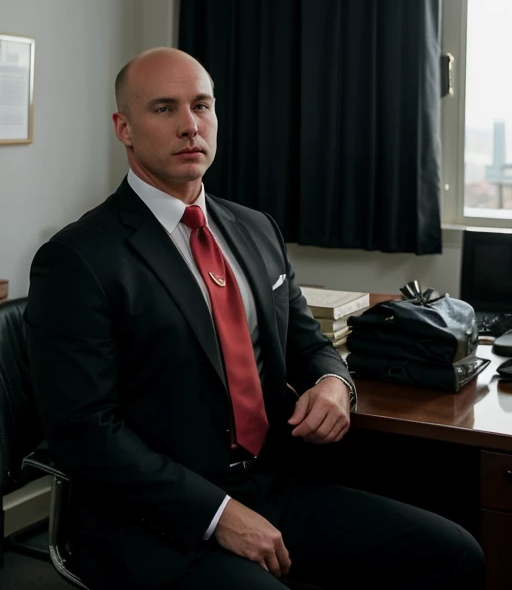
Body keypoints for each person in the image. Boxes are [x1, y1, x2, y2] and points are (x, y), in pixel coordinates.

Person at [25, 48, 484, 590]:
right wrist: (217, 514)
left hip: (275, 485)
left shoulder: (256, 229)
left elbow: (308, 344)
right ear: (123, 127)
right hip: (154, 517)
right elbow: (85, 434)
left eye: (202, 106)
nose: (190, 126)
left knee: (455, 554)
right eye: (164, 109)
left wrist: (335, 383)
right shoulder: (79, 258)